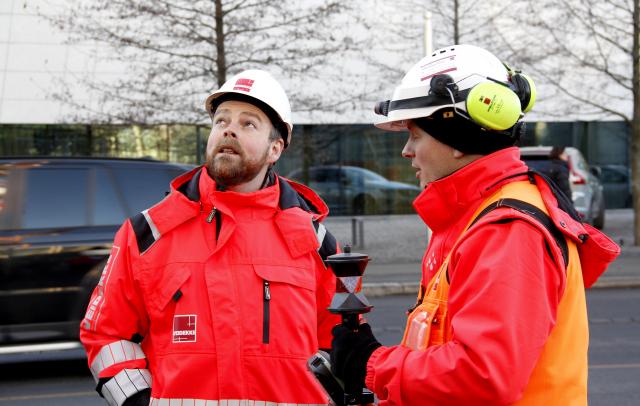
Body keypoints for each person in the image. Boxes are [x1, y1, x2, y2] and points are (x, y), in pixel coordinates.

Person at [330, 44, 619, 405]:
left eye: (416, 134)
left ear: (458, 141)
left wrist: (372, 363)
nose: (406, 151)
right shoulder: (474, 219)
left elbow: (483, 378)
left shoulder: (506, 230)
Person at [80, 69, 341, 405]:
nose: (229, 128)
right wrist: (138, 401)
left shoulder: (316, 244)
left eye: (248, 123)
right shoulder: (148, 234)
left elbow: (341, 344)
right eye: (221, 121)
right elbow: (105, 334)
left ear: (275, 148)